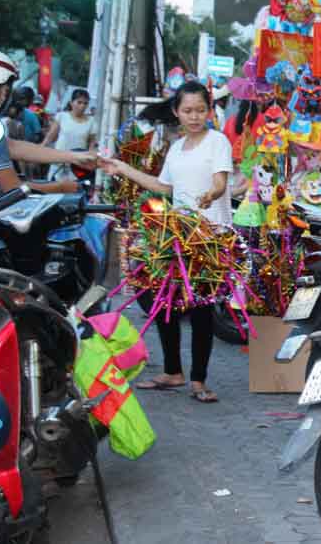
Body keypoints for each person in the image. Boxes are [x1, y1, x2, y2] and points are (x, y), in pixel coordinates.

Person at [100, 81, 233, 403]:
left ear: (209, 110)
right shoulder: (176, 147)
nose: (194, 116)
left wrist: (211, 194)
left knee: (201, 310)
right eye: (187, 110)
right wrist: (121, 168)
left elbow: (220, 181)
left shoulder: (218, 142)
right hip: (175, 236)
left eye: (201, 110)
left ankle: (199, 380)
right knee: (165, 304)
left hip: (208, 237)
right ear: (177, 112)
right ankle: (173, 371)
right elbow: (162, 187)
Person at [0, 50, 94, 205]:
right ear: (5, 90)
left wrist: (75, 157)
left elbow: (12, 146)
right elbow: (12, 189)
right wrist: (60, 187)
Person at [42, 89, 95, 180]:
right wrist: (39, 150)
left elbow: (92, 144)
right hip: (58, 163)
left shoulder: (91, 122)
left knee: (74, 192)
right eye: (79, 102)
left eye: (85, 103)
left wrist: (90, 160)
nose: (82, 106)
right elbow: (50, 138)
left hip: (78, 166)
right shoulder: (62, 117)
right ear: (71, 103)